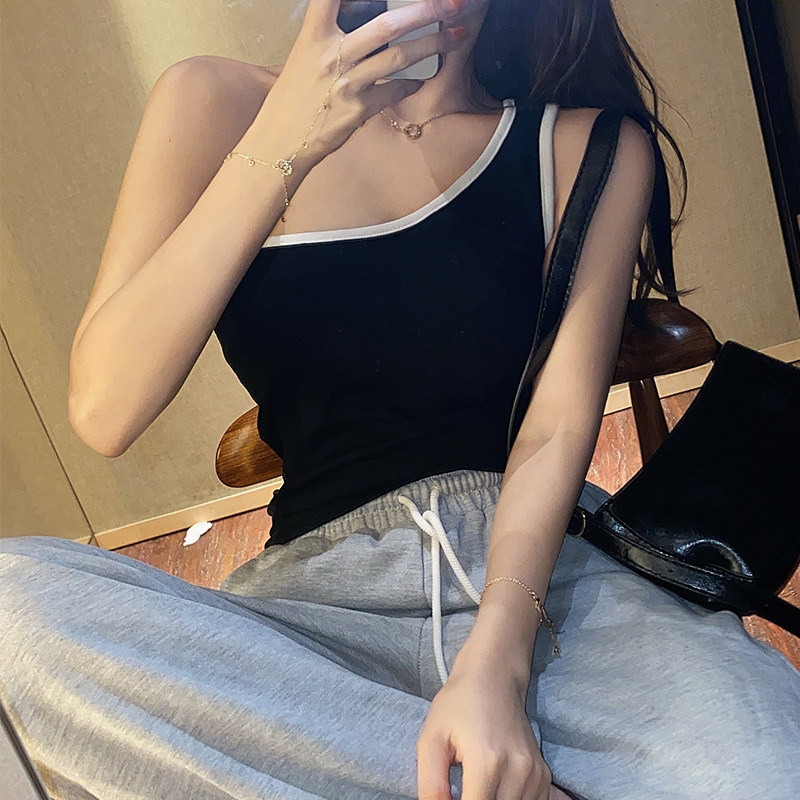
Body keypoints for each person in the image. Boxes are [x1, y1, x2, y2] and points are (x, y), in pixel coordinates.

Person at [1, 0, 798, 797]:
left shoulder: (584, 143)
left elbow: (555, 428)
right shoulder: (213, 103)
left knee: (766, 768)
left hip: (538, 581)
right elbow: (106, 409)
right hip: (313, 613)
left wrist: (494, 669)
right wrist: (287, 139)